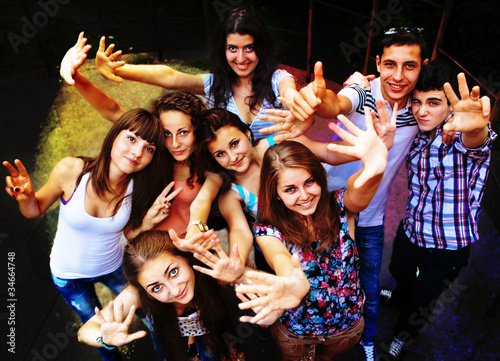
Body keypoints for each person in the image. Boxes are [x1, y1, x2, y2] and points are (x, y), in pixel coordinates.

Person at [290, 27, 428, 360]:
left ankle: (365, 341)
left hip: (370, 217)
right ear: (378, 63)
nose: (398, 76)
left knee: (367, 287)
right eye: (390, 64)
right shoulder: (364, 91)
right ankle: (309, 340)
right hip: (328, 210)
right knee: (317, 283)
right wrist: (318, 97)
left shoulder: (421, 110)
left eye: (409, 66)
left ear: (421, 66)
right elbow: (336, 102)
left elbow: (461, 130)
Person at [3, 109, 164, 361]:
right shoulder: (72, 171)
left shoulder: (139, 187)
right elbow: (34, 210)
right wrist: (25, 199)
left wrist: (146, 224)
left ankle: (168, 354)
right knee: (101, 333)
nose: (137, 152)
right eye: (132, 138)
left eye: (149, 148)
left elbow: (128, 232)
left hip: (114, 266)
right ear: (114, 135)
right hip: (69, 276)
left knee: (154, 314)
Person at [233, 107, 390, 360]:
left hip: (347, 326)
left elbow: (359, 191)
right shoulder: (267, 229)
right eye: (290, 189)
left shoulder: (340, 206)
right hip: (296, 333)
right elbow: (280, 259)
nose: (304, 196)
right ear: (276, 193)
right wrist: (292, 283)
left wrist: (374, 166)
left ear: (319, 178)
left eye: (309, 182)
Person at [60, 32, 223, 246]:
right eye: (166, 134)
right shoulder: (150, 154)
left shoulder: (209, 164)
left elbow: (201, 205)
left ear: (197, 131)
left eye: (183, 132)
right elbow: (112, 110)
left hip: (190, 249)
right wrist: (75, 76)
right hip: (147, 249)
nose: (174, 143)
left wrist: (194, 236)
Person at [380, 62, 496, 359]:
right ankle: (399, 296)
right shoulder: (418, 134)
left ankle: (402, 336)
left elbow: (477, 143)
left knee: (423, 299)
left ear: (451, 107)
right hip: (412, 229)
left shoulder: (462, 137)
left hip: (448, 246)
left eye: (433, 103)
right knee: (398, 270)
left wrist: (477, 127)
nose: (421, 111)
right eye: (417, 102)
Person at [194, 106, 394, 273]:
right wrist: (237, 259)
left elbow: (325, 152)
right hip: (278, 252)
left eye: (235, 143)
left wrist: (367, 153)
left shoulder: (278, 144)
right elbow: (239, 229)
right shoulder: (231, 193)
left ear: (247, 133)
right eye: (220, 154)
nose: (232, 156)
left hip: (321, 235)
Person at [94, 7, 311, 140]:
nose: (241, 58)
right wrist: (116, 69)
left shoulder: (278, 80)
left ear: (260, 49)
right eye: (232, 48)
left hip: (277, 176)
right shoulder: (215, 84)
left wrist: (297, 103)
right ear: (223, 49)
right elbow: (170, 77)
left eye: (249, 48)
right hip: (230, 183)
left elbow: (290, 94)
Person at [76, 229, 245, 361]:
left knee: (211, 353)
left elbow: (265, 286)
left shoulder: (207, 268)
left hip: (210, 329)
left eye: (173, 272)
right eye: (156, 288)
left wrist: (240, 276)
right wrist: (104, 339)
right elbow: (84, 332)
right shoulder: (137, 293)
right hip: (168, 336)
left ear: (184, 258)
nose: (175, 290)